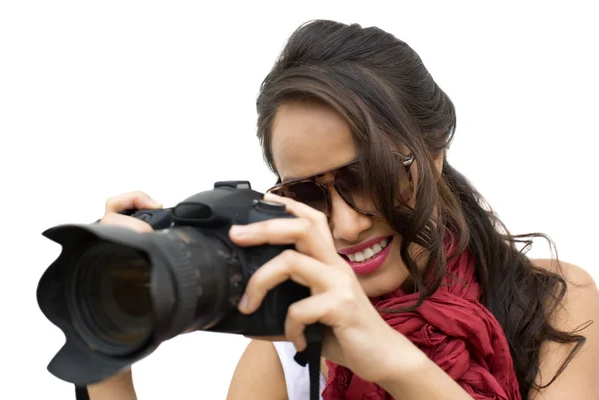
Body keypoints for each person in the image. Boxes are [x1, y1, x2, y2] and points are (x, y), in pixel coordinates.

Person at [88, 20, 599, 400]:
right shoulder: (288, 353)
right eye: (308, 194)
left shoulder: (554, 301)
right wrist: (108, 358)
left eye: (370, 178)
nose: (348, 224)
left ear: (434, 156)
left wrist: (385, 357)